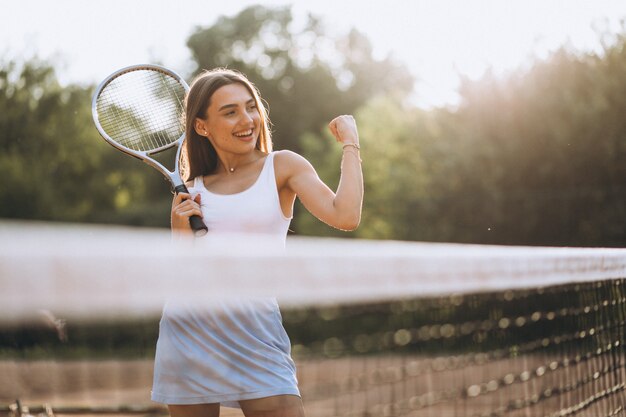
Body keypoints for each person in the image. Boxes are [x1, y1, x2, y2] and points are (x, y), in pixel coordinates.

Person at [151, 68, 363, 417]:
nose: (247, 119)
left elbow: (346, 215)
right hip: (189, 330)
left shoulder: (282, 167)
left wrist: (351, 144)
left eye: (250, 107)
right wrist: (179, 229)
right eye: (230, 111)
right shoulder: (192, 189)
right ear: (202, 126)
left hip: (256, 329)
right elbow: (184, 272)